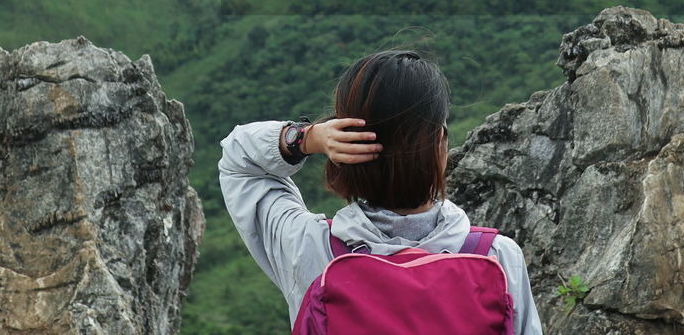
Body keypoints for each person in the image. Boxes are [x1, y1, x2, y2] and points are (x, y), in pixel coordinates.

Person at [219, 49, 543, 333]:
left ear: (343, 145)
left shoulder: (310, 250)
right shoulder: (497, 258)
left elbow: (238, 160)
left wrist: (307, 138)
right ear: (441, 142)